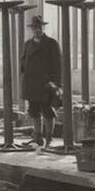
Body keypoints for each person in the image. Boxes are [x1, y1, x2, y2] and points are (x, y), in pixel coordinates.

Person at [20, 15, 62, 147]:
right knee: (33, 110)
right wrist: (24, 78)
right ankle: (37, 137)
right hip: (31, 83)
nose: (37, 30)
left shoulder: (51, 43)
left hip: (46, 83)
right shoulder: (28, 44)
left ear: (43, 28)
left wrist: (56, 84)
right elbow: (23, 62)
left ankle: (49, 138)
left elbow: (58, 65)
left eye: (39, 27)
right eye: (34, 28)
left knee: (47, 111)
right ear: (31, 29)